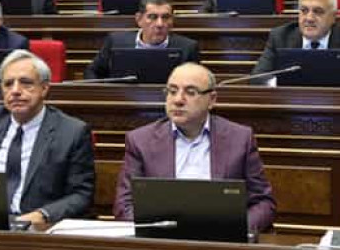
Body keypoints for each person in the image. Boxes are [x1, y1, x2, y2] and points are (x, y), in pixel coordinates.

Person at [113, 62, 276, 233]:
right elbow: (124, 206)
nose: (178, 100)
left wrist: (235, 231)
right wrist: (156, 232)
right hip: (163, 240)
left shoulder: (239, 139)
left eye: (190, 92)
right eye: (172, 91)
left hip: (222, 241)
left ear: (211, 100)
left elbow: (263, 202)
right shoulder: (141, 141)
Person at [0, 49, 95, 227]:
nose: (15, 91)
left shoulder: (72, 132)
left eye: (26, 83)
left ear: (44, 88)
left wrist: (43, 215)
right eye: (8, 84)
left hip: (36, 226)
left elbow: (81, 194)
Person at [251, 0, 340, 87]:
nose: (309, 18)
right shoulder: (280, 37)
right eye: (304, 11)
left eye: (318, 11)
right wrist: (283, 83)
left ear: (333, 17)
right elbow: (257, 79)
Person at [84, 0, 199, 79]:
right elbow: (92, 72)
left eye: (165, 17)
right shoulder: (115, 42)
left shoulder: (187, 48)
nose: (160, 24)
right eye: (152, 17)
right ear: (139, 19)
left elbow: (196, 83)